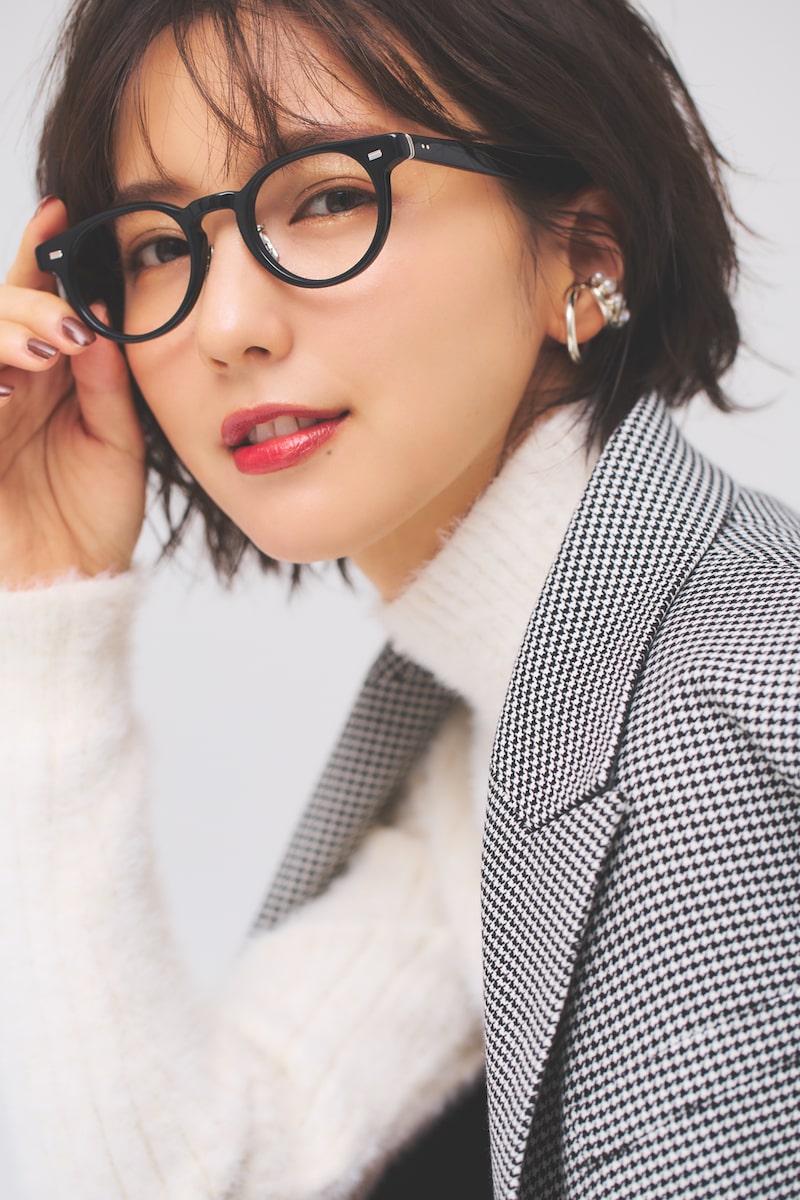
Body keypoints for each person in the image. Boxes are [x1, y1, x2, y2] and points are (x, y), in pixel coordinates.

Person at [0, 0, 797, 1196]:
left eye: (327, 197)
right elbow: (188, 1175)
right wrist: (46, 598)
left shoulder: (738, 694)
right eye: (159, 245)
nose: (225, 327)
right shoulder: (492, 747)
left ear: (585, 253)